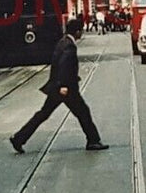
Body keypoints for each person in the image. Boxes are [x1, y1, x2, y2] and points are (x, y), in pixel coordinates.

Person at [10, 17, 107, 152]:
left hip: (57, 87)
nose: (82, 33)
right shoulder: (69, 46)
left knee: (43, 114)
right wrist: (63, 86)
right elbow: (64, 65)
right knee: (83, 112)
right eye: (81, 30)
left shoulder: (62, 42)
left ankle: (18, 138)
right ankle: (93, 141)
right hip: (66, 89)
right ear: (77, 32)